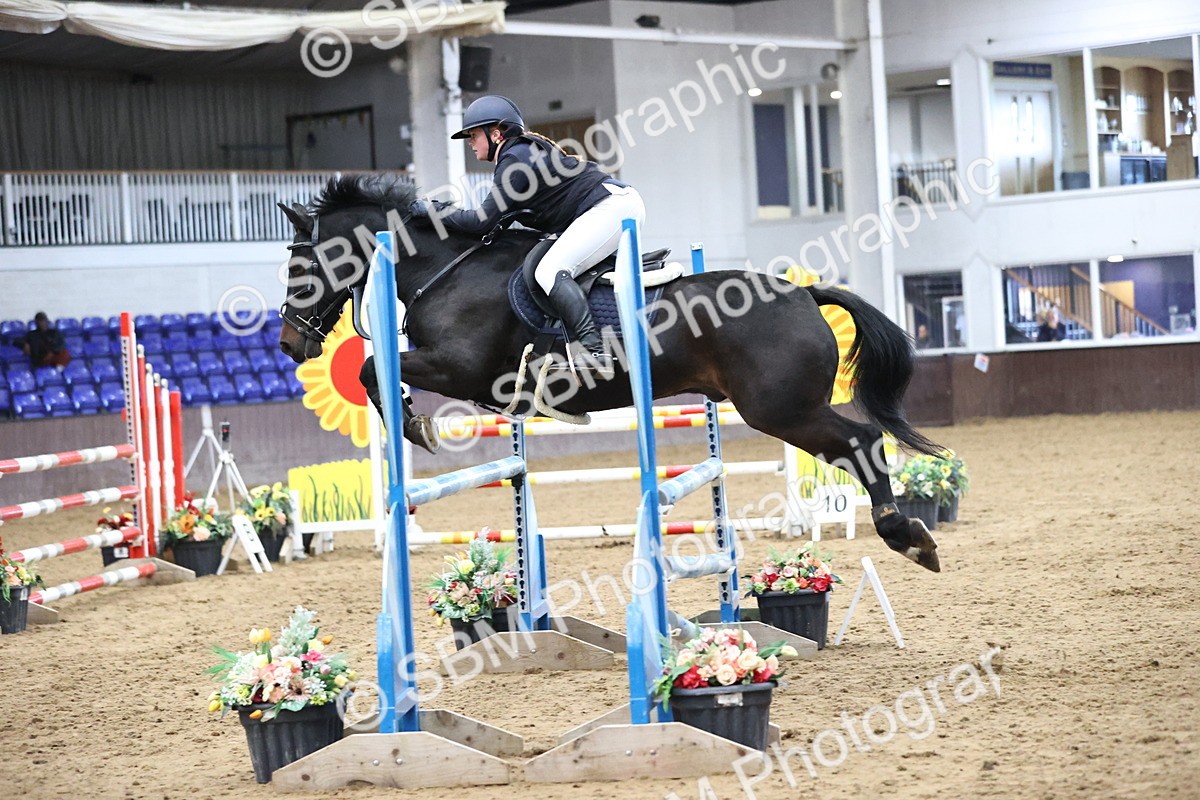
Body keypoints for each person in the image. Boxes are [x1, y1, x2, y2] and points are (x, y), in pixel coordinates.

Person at [410, 95, 646, 377]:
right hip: (603, 208)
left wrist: (433, 211)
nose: (470, 143)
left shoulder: (515, 159)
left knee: (550, 270)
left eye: (473, 135)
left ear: (496, 133)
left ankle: (593, 351)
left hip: (611, 207)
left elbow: (481, 221)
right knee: (538, 261)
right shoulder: (517, 155)